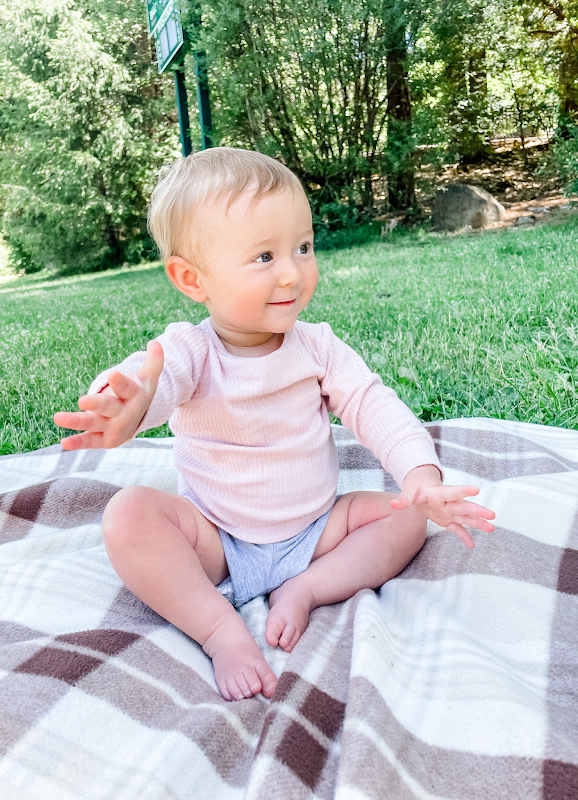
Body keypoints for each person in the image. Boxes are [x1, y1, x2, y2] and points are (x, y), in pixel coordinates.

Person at [54, 147, 496, 702]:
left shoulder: (318, 347)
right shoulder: (191, 351)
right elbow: (147, 380)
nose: (293, 271)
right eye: (264, 256)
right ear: (193, 279)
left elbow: (373, 405)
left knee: (405, 518)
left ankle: (306, 590)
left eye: (303, 247)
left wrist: (421, 476)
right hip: (216, 535)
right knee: (128, 516)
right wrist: (123, 405)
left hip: (317, 533)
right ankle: (219, 630)